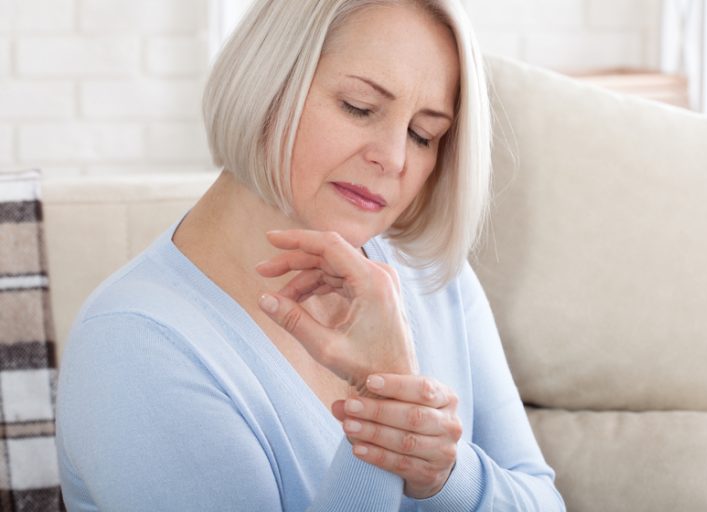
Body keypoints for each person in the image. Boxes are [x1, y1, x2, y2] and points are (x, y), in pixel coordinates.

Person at [55, 0, 565, 510]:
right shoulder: (133, 345)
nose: (393, 157)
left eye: (422, 134)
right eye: (359, 107)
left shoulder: (427, 275)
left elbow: (542, 499)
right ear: (269, 81)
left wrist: (446, 475)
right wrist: (382, 423)